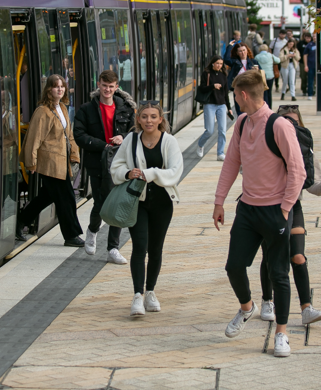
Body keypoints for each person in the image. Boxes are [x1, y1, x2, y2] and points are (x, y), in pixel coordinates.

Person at [212, 69, 307, 358]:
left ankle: (282, 333)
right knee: (233, 266)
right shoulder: (241, 122)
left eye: (236, 96)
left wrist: (286, 208)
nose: (236, 101)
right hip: (248, 210)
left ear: (243, 95)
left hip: (275, 211)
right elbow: (231, 163)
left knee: (279, 273)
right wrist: (219, 202)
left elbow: (298, 170)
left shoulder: (279, 126)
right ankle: (246, 307)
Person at [258, 105, 321, 326]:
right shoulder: (266, 145)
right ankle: (267, 300)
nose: (290, 125)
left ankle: (306, 308)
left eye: (294, 121)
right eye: (285, 121)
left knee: (298, 256)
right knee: (270, 257)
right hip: (267, 206)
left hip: (293, 206)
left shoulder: (305, 148)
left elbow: (312, 181)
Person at [110, 101, 183, 316]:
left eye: (153, 117)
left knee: (156, 249)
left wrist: (149, 173)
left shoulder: (169, 142)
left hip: (162, 202)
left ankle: (150, 291)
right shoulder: (131, 140)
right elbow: (116, 167)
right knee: (139, 247)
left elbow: (175, 172)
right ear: (138, 119)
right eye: (144, 117)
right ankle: (137, 295)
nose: (148, 121)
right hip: (137, 202)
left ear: (161, 119)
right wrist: (127, 173)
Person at [74, 69, 136, 263]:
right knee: (101, 202)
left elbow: (135, 131)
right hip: (97, 162)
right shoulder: (86, 109)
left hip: (121, 162)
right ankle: (92, 231)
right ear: (98, 85)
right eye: (104, 85)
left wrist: (123, 137)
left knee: (118, 202)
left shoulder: (126, 107)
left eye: (111, 86)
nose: (107, 89)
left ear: (116, 87)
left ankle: (113, 248)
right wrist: (104, 145)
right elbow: (79, 135)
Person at [19, 74, 86, 247]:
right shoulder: (42, 111)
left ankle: (21, 221)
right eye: (56, 86)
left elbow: (69, 135)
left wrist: (75, 155)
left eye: (62, 86)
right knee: (67, 198)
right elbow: (34, 138)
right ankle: (71, 235)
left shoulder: (62, 108)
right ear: (49, 89)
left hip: (62, 162)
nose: (60, 89)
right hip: (50, 163)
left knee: (46, 196)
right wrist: (31, 163)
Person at [196, 55, 233, 161]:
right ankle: (200, 145)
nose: (219, 66)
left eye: (221, 64)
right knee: (209, 130)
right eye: (217, 63)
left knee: (222, 131)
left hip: (221, 105)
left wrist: (229, 107)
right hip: (210, 104)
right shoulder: (206, 74)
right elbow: (202, 88)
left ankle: (220, 153)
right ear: (213, 63)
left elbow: (226, 93)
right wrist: (213, 86)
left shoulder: (223, 74)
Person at [223, 41, 260, 117]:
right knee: (240, 111)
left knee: (251, 110)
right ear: (237, 53)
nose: (243, 53)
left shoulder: (253, 62)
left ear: (247, 50)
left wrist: (257, 71)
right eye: (240, 51)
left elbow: (261, 75)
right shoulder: (234, 62)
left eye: (244, 50)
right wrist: (229, 46)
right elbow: (226, 59)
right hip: (238, 90)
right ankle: (242, 125)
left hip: (250, 90)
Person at [303, 33, 317, 100]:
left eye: (315, 36)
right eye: (313, 36)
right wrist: (306, 65)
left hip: (319, 66)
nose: (314, 37)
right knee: (310, 81)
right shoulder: (309, 45)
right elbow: (305, 55)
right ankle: (310, 94)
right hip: (311, 65)